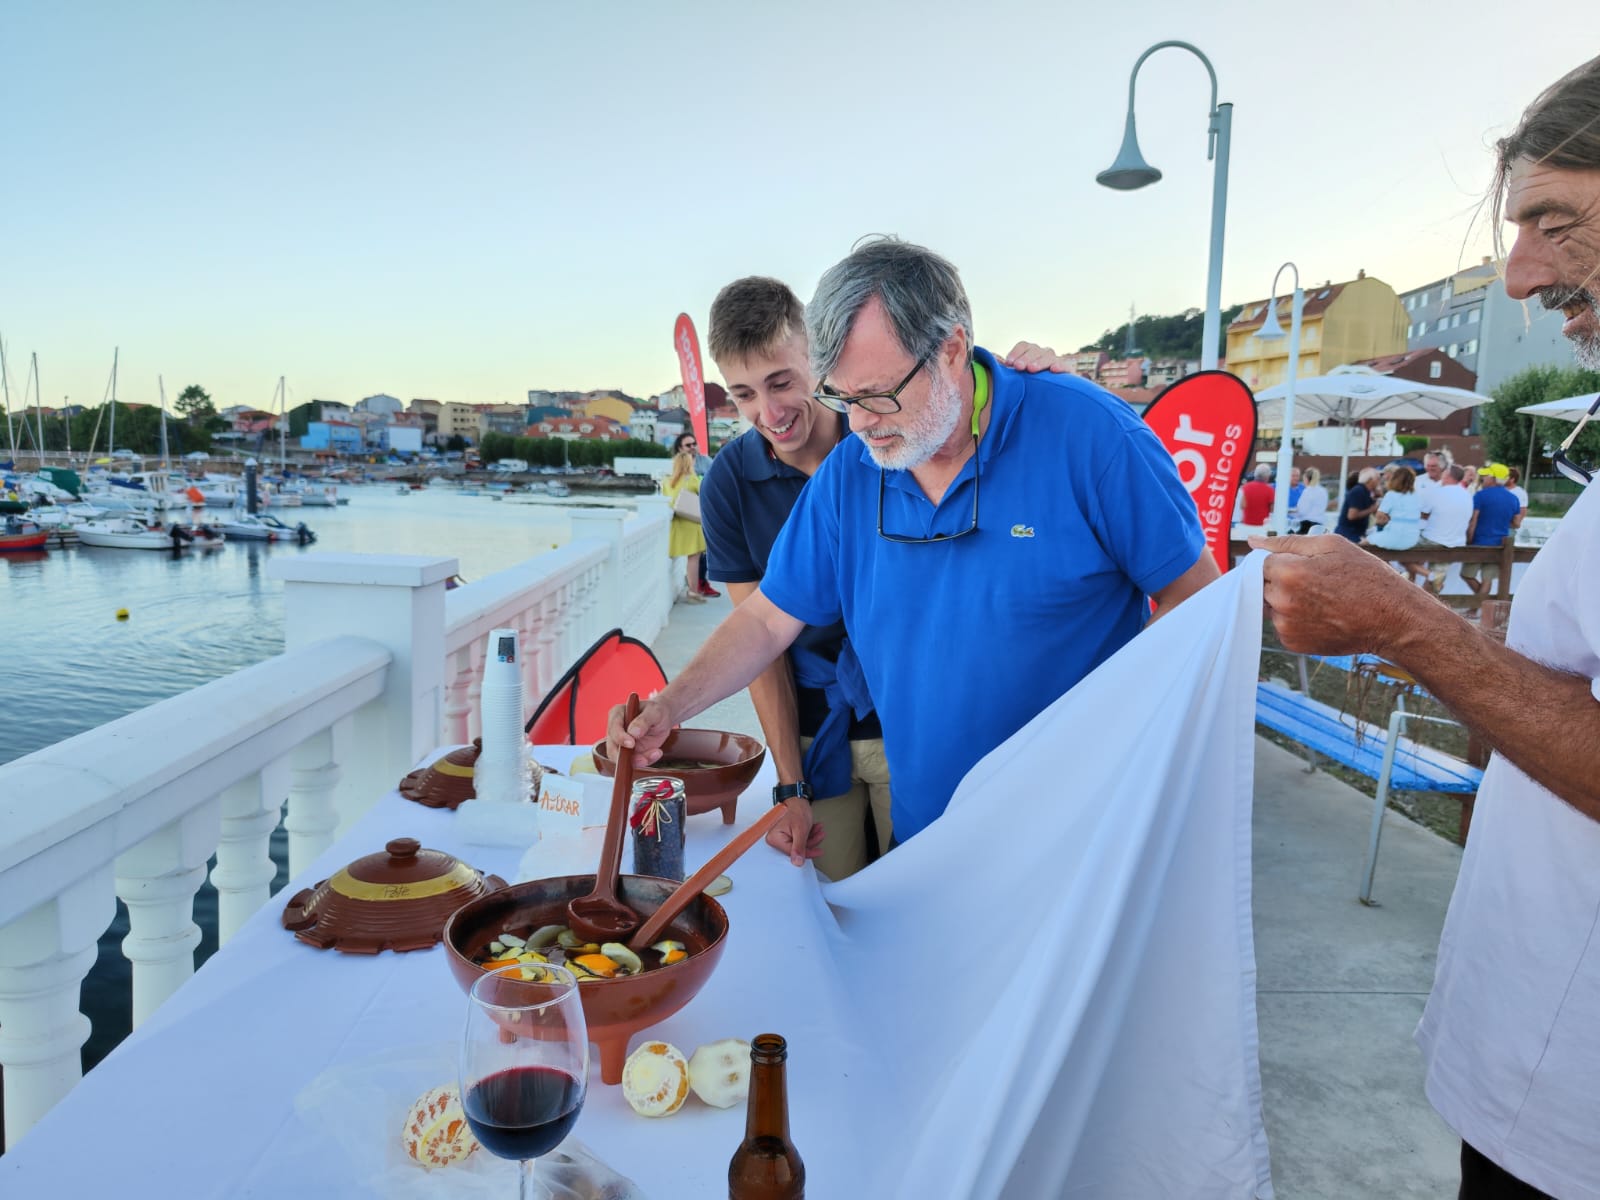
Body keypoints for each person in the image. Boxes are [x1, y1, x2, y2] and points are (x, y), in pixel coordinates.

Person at [1250, 54, 1600, 1198]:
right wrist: (1504, 655)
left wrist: (1409, 624)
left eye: (1554, 221)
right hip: (1537, 1057)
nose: (1518, 275)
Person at [611, 237, 1217, 850]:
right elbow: (767, 622)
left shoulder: (1093, 436)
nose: (861, 423)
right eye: (841, 399)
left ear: (951, 349)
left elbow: (1200, 606)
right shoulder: (852, 472)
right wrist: (671, 705)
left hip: (1082, 837)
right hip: (929, 838)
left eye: (877, 395)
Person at [699, 276, 1073, 875]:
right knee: (832, 900)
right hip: (816, 731)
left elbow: (964, 405)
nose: (768, 413)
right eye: (743, 394)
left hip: (920, 719)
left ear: (819, 360)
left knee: (930, 885)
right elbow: (762, 636)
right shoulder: (728, 483)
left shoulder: (900, 428)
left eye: (782, 382)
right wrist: (789, 787)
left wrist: (1041, 385)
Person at [1460, 462, 1524, 610]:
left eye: (1486, 475)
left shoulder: (1480, 495)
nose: (1483, 478)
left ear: (1494, 478)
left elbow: (1473, 520)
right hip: (1499, 545)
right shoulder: (1513, 498)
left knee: (1467, 575)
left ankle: (1476, 607)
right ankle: (1482, 604)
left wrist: (1469, 540)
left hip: (1479, 542)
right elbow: (1516, 523)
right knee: (1487, 579)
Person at [661, 432, 708, 604]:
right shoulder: (692, 479)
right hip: (691, 522)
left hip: (675, 523)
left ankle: (674, 591)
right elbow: (703, 493)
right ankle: (693, 591)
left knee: (672, 556)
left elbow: (665, 498)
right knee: (693, 559)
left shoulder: (668, 480)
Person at [1410, 463, 1474, 590]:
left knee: (1402, 554)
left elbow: (1423, 514)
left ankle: (1426, 575)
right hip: (1455, 543)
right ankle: (1429, 589)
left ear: (1447, 475)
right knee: (1435, 581)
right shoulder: (1468, 495)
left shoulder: (1437, 492)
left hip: (1432, 540)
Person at [1364, 464, 1422, 550]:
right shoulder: (1416, 495)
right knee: (1404, 561)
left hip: (1395, 537)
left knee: (1361, 545)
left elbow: (1380, 517)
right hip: (1413, 538)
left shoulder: (1391, 495)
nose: (1384, 477)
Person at [1334, 467, 1381, 541]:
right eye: (1377, 478)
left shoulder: (1366, 492)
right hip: (1348, 535)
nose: (1379, 481)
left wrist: (1377, 496)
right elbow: (1352, 516)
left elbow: (1376, 513)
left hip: (1354, 533)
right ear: (1370, 480)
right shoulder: (1358, 491)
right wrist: (1372, 509)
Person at [1291, 466, 1330, 534]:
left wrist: (1291, 511)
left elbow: (1302, 511)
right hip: (1320, 525)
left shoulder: (1308, 491)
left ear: (1306, 479)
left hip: (1307, 525)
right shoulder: (1323, 490)